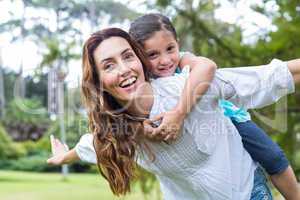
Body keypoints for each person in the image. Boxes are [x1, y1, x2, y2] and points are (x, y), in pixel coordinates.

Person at [48, 27, 300, 200]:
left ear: (140, 61)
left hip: (248, 192)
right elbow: (88, 146)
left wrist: (179, 112)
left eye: (128, 56)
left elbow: (270, 77)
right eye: (109, 65)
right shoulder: (117, 133)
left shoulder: (187, 88)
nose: (124, 69)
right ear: (99, 81)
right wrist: (62, 157)